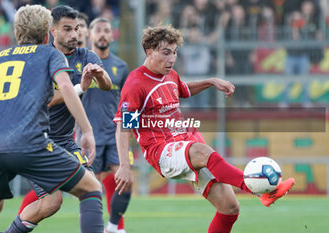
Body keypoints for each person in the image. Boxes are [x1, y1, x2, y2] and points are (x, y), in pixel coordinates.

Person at [113, 25, 295, 233]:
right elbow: (124, 125)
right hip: (161, 152)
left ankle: (254, 190)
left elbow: (183, 89)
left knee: (230, 208)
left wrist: (211, 81)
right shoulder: (136, 84)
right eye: (165, 53)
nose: (171, 59)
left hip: (183, 143)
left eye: (174, 53)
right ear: (149, 51)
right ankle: (257, 189)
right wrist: (124, 166)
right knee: (201, 150)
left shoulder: (170, 74)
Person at [0, 5, 104, 233]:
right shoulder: (49, 54)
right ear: (48, 32)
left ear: (16, 31)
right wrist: (87, 131)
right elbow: (65, 86)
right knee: (91, 187)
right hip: (29, 141)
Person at [16, 5, 112, 227]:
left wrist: (99, 75)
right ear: (53, 31)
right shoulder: (41, 58)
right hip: (37, 140)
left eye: (76, 29)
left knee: (92, 187)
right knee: (51, 202)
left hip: (65, 141)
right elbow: (42, 100)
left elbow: (107, 86)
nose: (74, 35)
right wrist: (80, 87)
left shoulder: (86, 55)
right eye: (67, 29)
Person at [76, 17, 131, 233]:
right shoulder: (79, 63)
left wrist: (130, 130)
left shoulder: (120, 66)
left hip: (115, 135)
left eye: (106, 30)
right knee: (90, 190)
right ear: (89, 34)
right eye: (97, 30)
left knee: (126, 182)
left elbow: (130, 104)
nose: (102, 34)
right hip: (89, 136)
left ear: (112, 35)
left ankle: (113, 227)